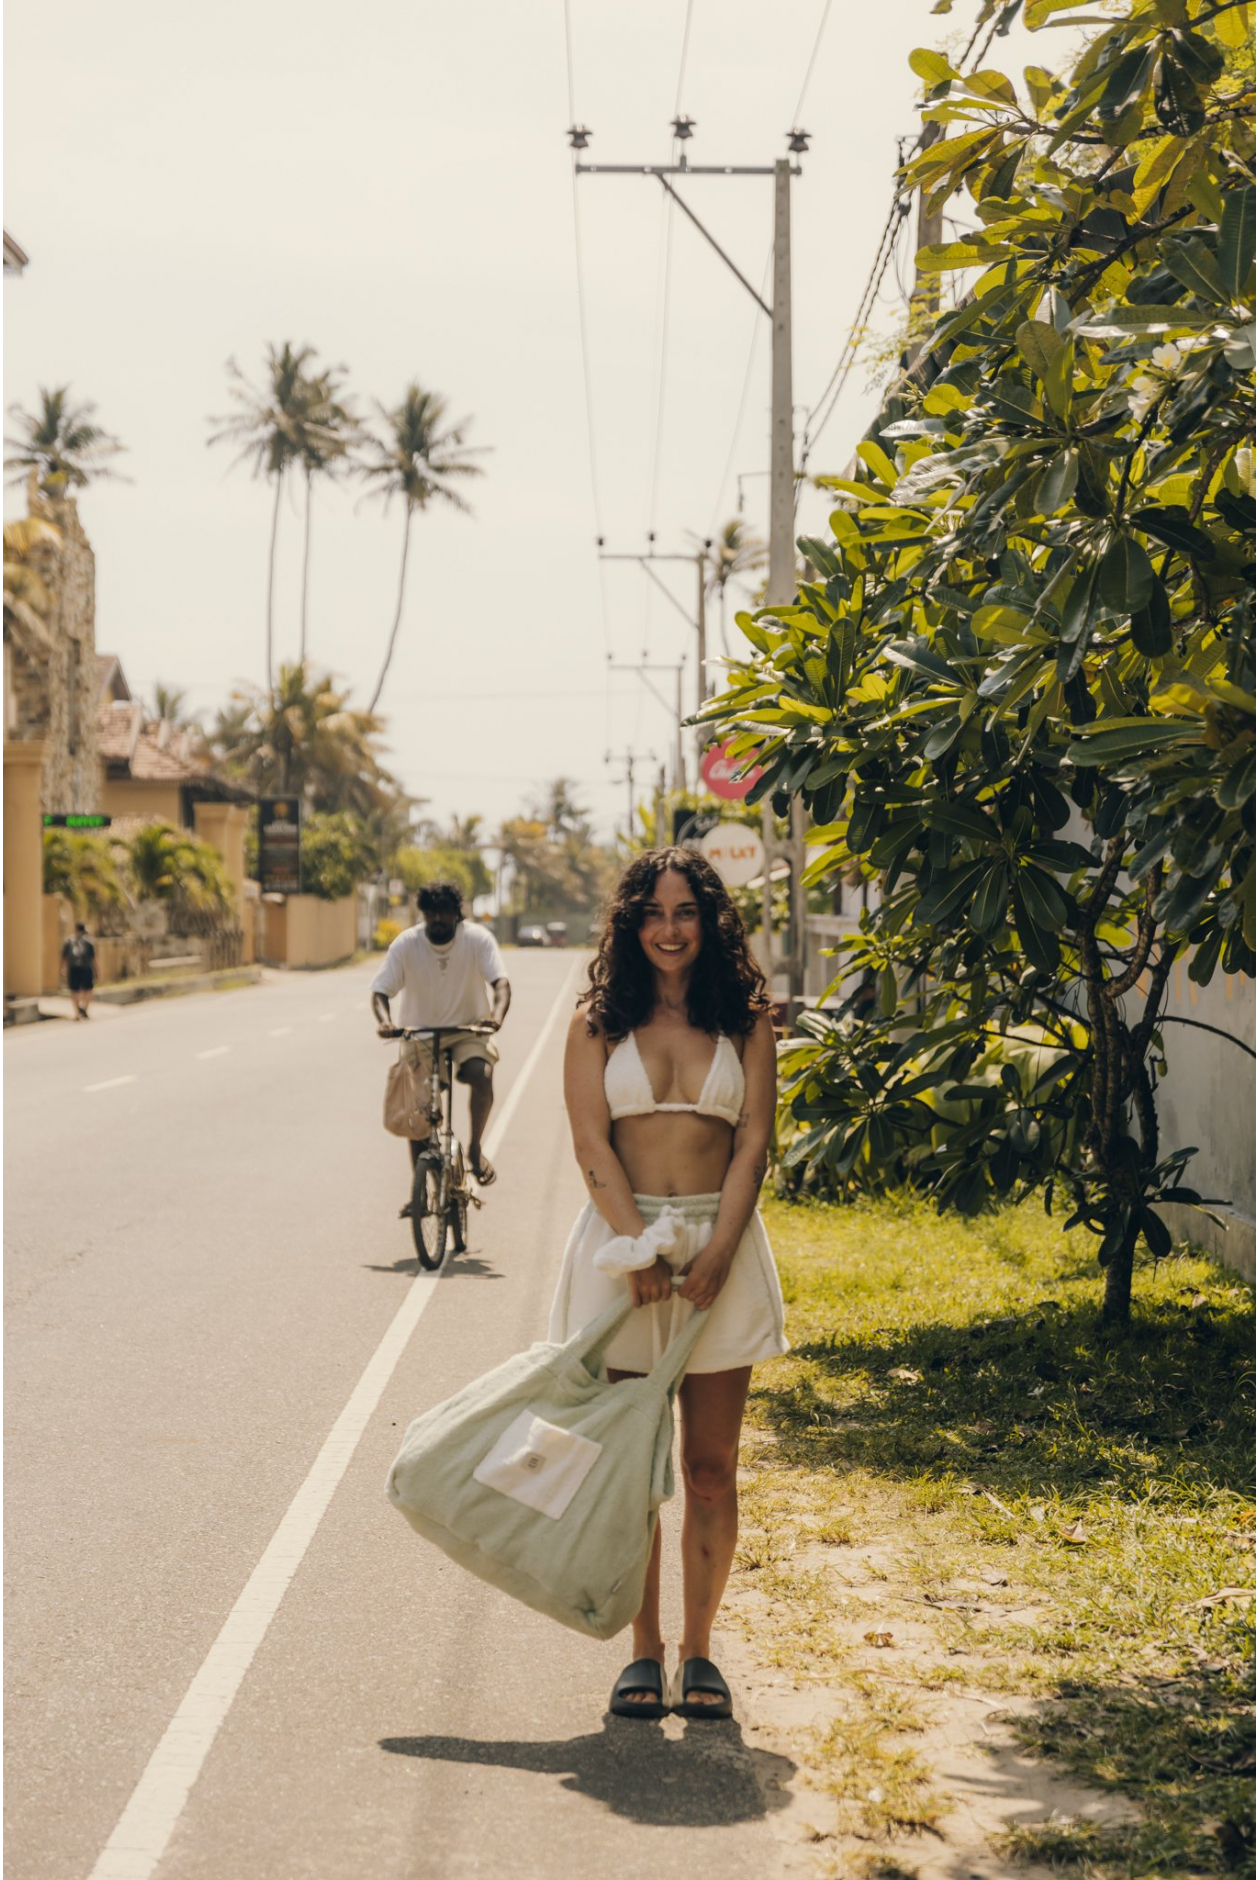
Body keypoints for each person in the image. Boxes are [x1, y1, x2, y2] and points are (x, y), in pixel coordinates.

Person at [554, 847, 787, 1721]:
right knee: (632, 1466)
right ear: (629, 923)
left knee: (710, 1467)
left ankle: (701, 1654)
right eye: (652, 913)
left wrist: (721, 1248)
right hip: (625, 1256)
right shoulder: (596, 1023)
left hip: (720, 1245)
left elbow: (753, 1141)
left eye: (685, 911)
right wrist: (638, 1249)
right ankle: (642, 1652)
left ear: (711, 919)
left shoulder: (747, 1022)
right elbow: (589, 1145)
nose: (668, 929)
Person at [371, 881, 511, 1201]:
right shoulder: (407, 944)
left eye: (444, 913)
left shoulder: (477, 939)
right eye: (430, 913)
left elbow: (501, 984)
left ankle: (475, 1150)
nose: (437, 919)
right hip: (420, 1032)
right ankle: (420, 1190)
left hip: (468, 1029)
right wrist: (385, 1022)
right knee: (417, 1107)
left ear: (457, 915)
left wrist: (497, 1016)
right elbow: (380, 991)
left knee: (481, 1074)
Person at [61, 922, 97, 1020]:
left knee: (75, 990)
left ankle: (77, 1013)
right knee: (88, 990)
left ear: (76, 929)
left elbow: (64, 957)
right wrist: (97, 971)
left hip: (73, 968)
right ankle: (84, 1008)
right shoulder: (89, 942)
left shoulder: (69, 941)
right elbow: (93, 959)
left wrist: (62, 969)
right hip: (86, 967)